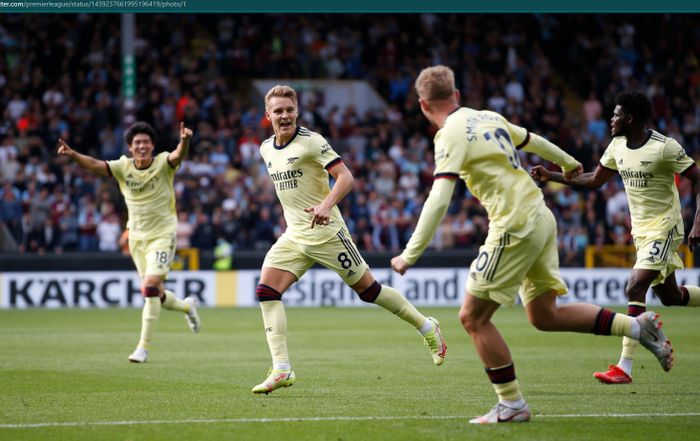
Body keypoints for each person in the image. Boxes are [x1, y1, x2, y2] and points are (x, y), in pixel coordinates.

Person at [391, 66, 673, 424]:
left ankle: (511, 404)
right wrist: (569, 164)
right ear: (457, 96)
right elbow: (532, 140)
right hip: (541, 217)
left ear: (422, 105)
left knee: (472, 318)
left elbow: (439, 198)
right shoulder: (488, 117)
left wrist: (410, 253)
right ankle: (636, 327)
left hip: (514, 225)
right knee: (544, 315)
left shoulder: (448, 135)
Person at [251, 85, 447, 394]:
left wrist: (326, 205)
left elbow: (346, 177)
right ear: (268, 115)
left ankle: (426, 326)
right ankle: (282, 369)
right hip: (294, 235)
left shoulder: (312, 142)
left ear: (297, 111)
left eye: (289, 109)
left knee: (369, 291)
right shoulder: (265, 148)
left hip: (328, 233)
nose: (284, 115)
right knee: (266, 291)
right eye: (278, 111)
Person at [532, 90, 700, 384]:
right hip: (642, 231)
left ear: (630, 118)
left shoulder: (665, 147)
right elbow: (594, 180)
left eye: (616, 114)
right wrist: (551, 175)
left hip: (666, 226)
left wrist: (698, 223)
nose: (611, 119)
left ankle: (625, 366)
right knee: (670, 296)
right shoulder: (617, 146)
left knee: (635, 286)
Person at [57, 121, 201, 363]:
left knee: (151, 286)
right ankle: (187, 307)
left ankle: (142, 348)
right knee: (155, 293)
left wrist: (185, 140)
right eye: (137, 143)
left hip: (162, 236)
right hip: (136, 238)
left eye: (146, 142)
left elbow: (178, 155)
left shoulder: (163, 164)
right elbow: (94, 165)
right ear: (130, 147)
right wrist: (73, 155)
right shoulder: (123, 167)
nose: (142, 146)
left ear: (153, 146)